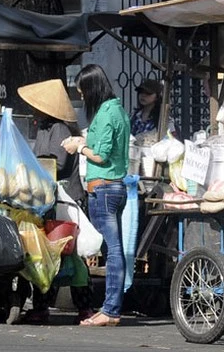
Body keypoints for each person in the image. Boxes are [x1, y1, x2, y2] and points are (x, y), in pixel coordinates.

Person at [17, 78, 95, 325]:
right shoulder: (42, 128)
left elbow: (58, 164)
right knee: (45, 254)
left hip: (67, 199)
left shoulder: (59, 129)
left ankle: (85, 308)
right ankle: (41, 307)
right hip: (48, 199)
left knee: (71, 255)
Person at [61, 64, 130, 327]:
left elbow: (99, 155)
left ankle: (110, 309)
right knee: (114, 249)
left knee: (112, 250)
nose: (81, 97)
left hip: (104, 188)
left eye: (82, 92)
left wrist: (78, 146)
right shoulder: (119, 110)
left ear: (92, 89)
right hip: (116, 186)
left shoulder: (104, 113)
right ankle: (110, 308)